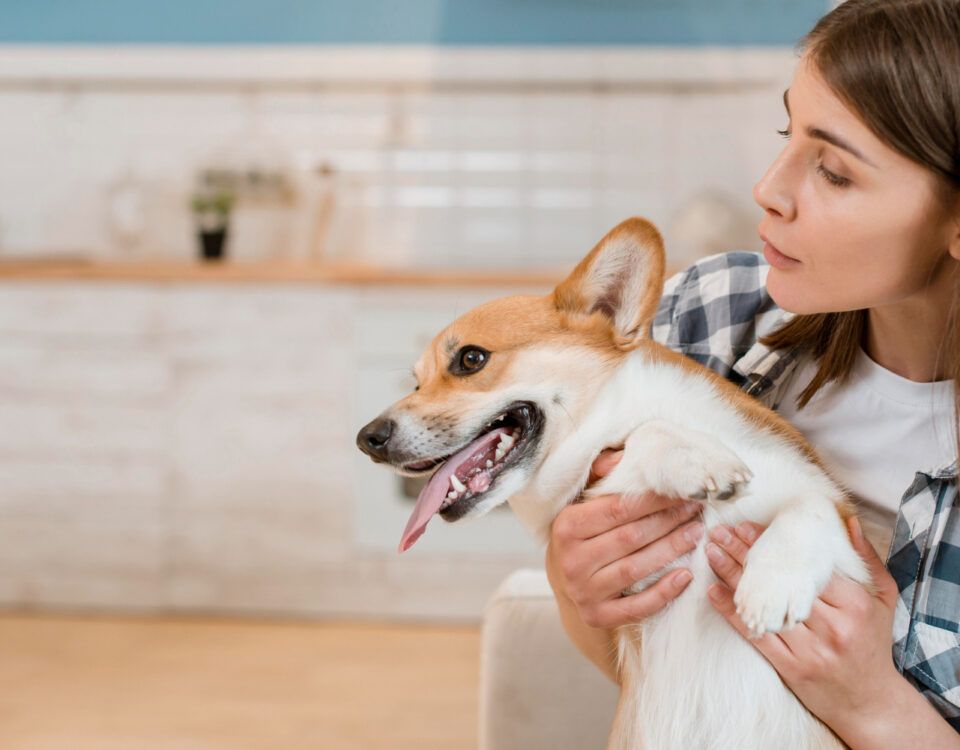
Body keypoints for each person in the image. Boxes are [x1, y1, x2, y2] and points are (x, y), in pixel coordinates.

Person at [544, 0, 960, 746]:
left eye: (833, 171)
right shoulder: (713, 320)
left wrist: (874, 706)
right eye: (786, 134)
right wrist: (582, 585)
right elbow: (646, 663)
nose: (768, 186)